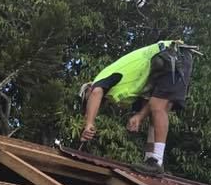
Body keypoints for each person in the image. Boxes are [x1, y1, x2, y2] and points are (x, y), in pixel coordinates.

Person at [79, 40, 197, 174]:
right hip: (171, 60)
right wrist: (140, 116)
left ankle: (156, 161)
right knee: (156, 109)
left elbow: (96, 93)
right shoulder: (126, 86)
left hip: (171, 55)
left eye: (87, 100)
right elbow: (148, 100)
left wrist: (89, 123)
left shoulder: (101, 79)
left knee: (158, 107)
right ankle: (151, 160)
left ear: (88, 88)